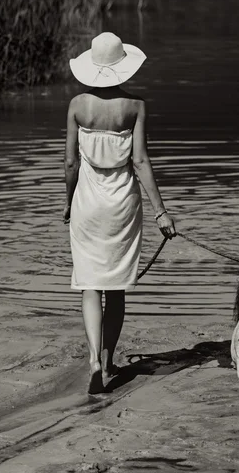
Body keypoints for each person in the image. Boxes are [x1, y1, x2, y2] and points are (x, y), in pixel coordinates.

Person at [64, 32, 177, 395]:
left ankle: (94, 359)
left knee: (89, 283)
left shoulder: (77, 106)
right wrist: (161, 212)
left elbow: (70, 163)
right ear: (122, 68)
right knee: (115, 287)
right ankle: (110, 362)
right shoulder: (136, 106)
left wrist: (68, 204)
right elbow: (140, 161)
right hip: (122, 204)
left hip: (87, 202)